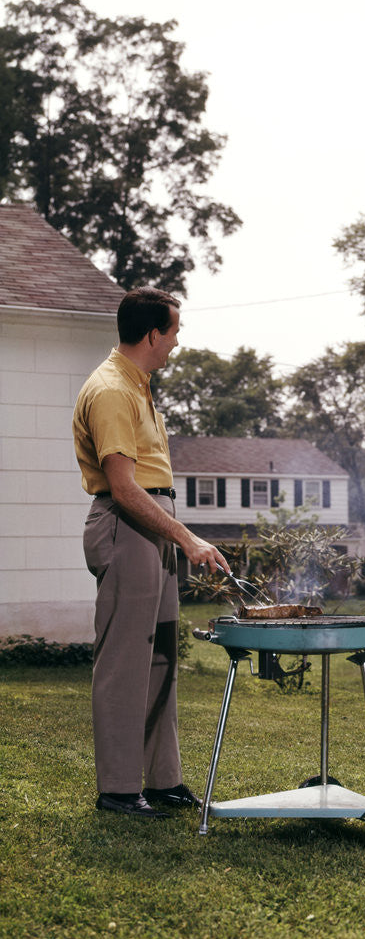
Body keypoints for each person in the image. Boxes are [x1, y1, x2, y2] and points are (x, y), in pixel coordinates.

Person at [73, 287, 229, 818]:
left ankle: (163, 782)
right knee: (124, 662)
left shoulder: (140, 388)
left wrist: (176, 534)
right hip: (127, 527)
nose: (176, 343)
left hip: (152, 527)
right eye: (174, 333)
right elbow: (123, 486)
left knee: (161, 657)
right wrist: (187, 538)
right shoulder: (113, 390)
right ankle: (118, 789)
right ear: (152, 334)